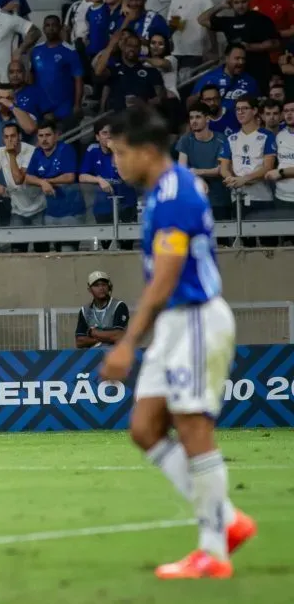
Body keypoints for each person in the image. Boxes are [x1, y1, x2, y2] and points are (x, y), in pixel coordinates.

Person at [100, 105, 257, 579]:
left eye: (122, 153)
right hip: (173, 324)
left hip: (192, 318)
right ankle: (227, 519)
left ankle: (213, 549)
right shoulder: (161, 192)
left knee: (192, 429)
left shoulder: (174, 196)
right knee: (145, 428)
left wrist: (128, 341)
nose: (117, 164)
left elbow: (166, 277)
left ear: (148, 151)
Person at [74, 270, 129, 349]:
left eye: (104, 284)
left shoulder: (119, 306)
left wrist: (93, 332)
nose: (101, 288)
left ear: (109, 287)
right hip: (93, 356)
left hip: (115, 354)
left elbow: (118, 335)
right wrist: (105, 337)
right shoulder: (85, 310)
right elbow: (80, 341)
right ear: (89, 289)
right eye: (96, 285)